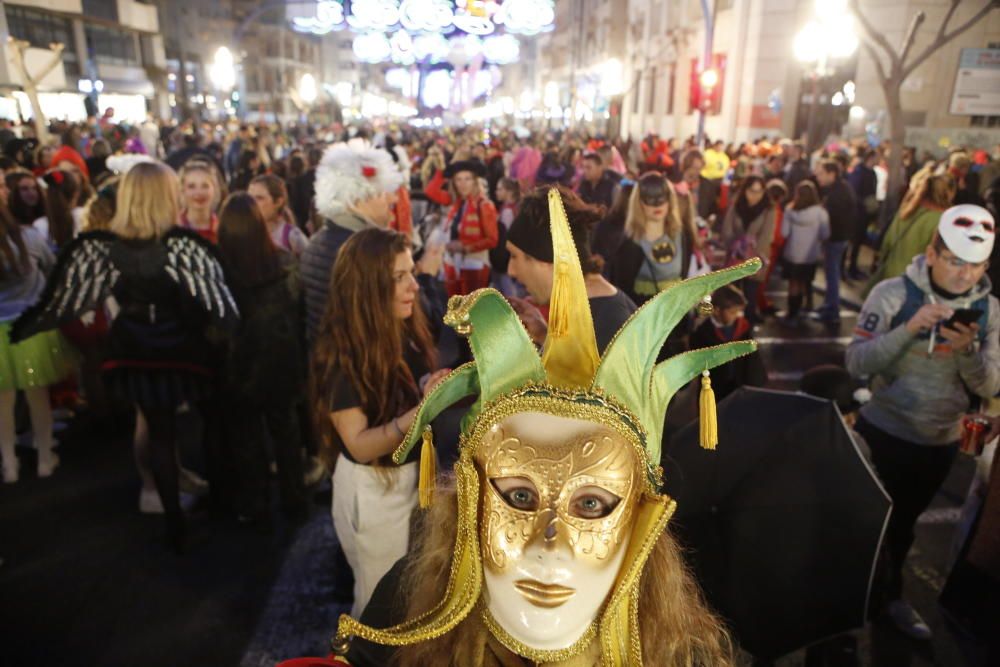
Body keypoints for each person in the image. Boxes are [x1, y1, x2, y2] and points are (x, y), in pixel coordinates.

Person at [323, 188, 755, 667]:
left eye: (591, 503)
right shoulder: (402, 612)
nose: (549, 546)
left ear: (639, 517)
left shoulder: (683, 654)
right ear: (470, 501)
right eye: (520, 497)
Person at [12, 161, 239, 551]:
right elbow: (213, 304)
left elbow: (75, 298)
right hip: (181, 348)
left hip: (132, 349)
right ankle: (219, 504)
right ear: (164, 195)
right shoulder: (180, 243)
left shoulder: (108, 246)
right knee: (207, 422)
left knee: (160, 435)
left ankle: (173, 524)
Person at [846, 205, 999, 640]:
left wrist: (968, 351)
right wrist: (909, 328)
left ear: (986, 265)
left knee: (905, 523)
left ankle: (888, 598)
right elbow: (856, 360)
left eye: (974, 266)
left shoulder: (990, 311)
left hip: (941, 439)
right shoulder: (893, 294)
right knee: (870, 524)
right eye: (954, 261)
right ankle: (854, 603)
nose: (963, 274)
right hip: (883, 430)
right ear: (932, 254)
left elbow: (992, 381)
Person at [310, 227, 447, 617]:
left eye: (412, 273)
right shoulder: (343, 352)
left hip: (406, 481)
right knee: (378, 612)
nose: (414, 287)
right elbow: (359, 443)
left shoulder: (400, 324)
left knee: (408, 601)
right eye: (399, 278)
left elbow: (404, 382)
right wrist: (419, 413)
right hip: (375, 489)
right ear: (367, 287)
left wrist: (428, 384)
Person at [217, 193, 308, 527]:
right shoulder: (283, 262)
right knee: (286, 432)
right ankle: (294, 500)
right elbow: (299, 312)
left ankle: (256, 506)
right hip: (281, 362)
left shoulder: (218, 272)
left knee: (247, 439)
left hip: (238, 367)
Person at [505, 185, 637, 352]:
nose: (511, 271)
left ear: (549, 259)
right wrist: (543, 334)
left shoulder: (610, 326)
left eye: (515, 256)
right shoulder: (591, 311)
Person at [0, 209, 76, 482]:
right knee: (38, 397)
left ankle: (9, 465)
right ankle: (45, 458)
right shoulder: (29, 238)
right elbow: (53, 268)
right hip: (31, 328)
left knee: (2, 404)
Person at [301, 144, 403, 344]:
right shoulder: (366, 250)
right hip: (364, 365)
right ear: (357, 198)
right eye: (382, 192)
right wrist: (426, 275)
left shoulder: (316, 241)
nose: (394, 198)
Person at [610, 172, 703, 308]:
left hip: (675, 316)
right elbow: (623, 290)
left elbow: (684, 276)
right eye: (649, 198)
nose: (657, 204)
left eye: (662, 197)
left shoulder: (682, 236)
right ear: (639, 202)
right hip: (644, 316)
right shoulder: (629, 243)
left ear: (670, 199)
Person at [867, 166, 956, 293]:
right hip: (915, 286)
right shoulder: (943, 221)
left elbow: (886, 242)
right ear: (949, 193)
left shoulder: (906, 211)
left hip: (889, 278)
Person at [424, 159, 498, 297]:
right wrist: (442, 172)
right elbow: (430, 191)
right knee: (455, 308)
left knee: (471, 310)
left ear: (475, 181)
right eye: (458, 179)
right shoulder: (456, 201)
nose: (463, 184)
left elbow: (492, 240)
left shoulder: (484, 205)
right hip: (452, 262)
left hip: (474, 263)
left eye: (467, 179)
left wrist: (465, 247)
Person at [689, 285, 766, 401]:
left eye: (738, 312)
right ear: (717, 310)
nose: (737, 316)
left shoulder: (743, 330)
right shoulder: (703, 333)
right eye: (732, 312)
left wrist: (754, 385)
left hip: (740, 387)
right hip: (714, 389)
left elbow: (752, 362)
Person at [720, 175, 776, 323]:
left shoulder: (769, 209)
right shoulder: (736, 205)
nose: (755, 195)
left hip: (754, 260)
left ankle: (747, 330)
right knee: (733, 297)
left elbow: (766, 236)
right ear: (745, 190)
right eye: (752, 190)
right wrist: (735, 247)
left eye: (759, 191)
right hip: (734, 259)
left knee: (750, 296)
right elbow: (727, 229)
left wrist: (750, 254)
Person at [814, 159, 857, 324]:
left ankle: (832, 309)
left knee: (832, 274)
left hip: (836, 239)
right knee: (830, 273)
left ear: (832, 174)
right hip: (838, 237)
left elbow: (834, 218)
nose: (818, 177)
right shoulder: (839, 188)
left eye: (821, 174)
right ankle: (829, 304)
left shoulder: (839, 192)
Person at [781, 181, 830, 323]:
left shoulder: (790, 211)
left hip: (792, 253)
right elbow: (825, 234)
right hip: (810, 254)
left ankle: (792, 313)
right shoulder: (821, 213)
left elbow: (784, 233)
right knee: (803, 282)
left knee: (793, 284)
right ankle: (802, 309)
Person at [248, 174, 308, 258]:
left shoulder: (294, 237)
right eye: (249, 198)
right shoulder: (246, 233)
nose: (252, 204)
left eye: (259, 198)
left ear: (278, 202)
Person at [846, 149, 878, 280]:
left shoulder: (873, 173)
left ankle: (853, 267)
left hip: (866, 213)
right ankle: (846, 268)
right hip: (857, 213)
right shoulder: (859, 171)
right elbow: (853, 191)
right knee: (851, 242)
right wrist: (864, 202)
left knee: (858, 242)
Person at [179, 160, 222, 243]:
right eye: (191, 186)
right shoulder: (173, 228)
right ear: (182, 190)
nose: (199, 192)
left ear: (214, 189)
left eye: (205, 186)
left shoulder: (222, 230)